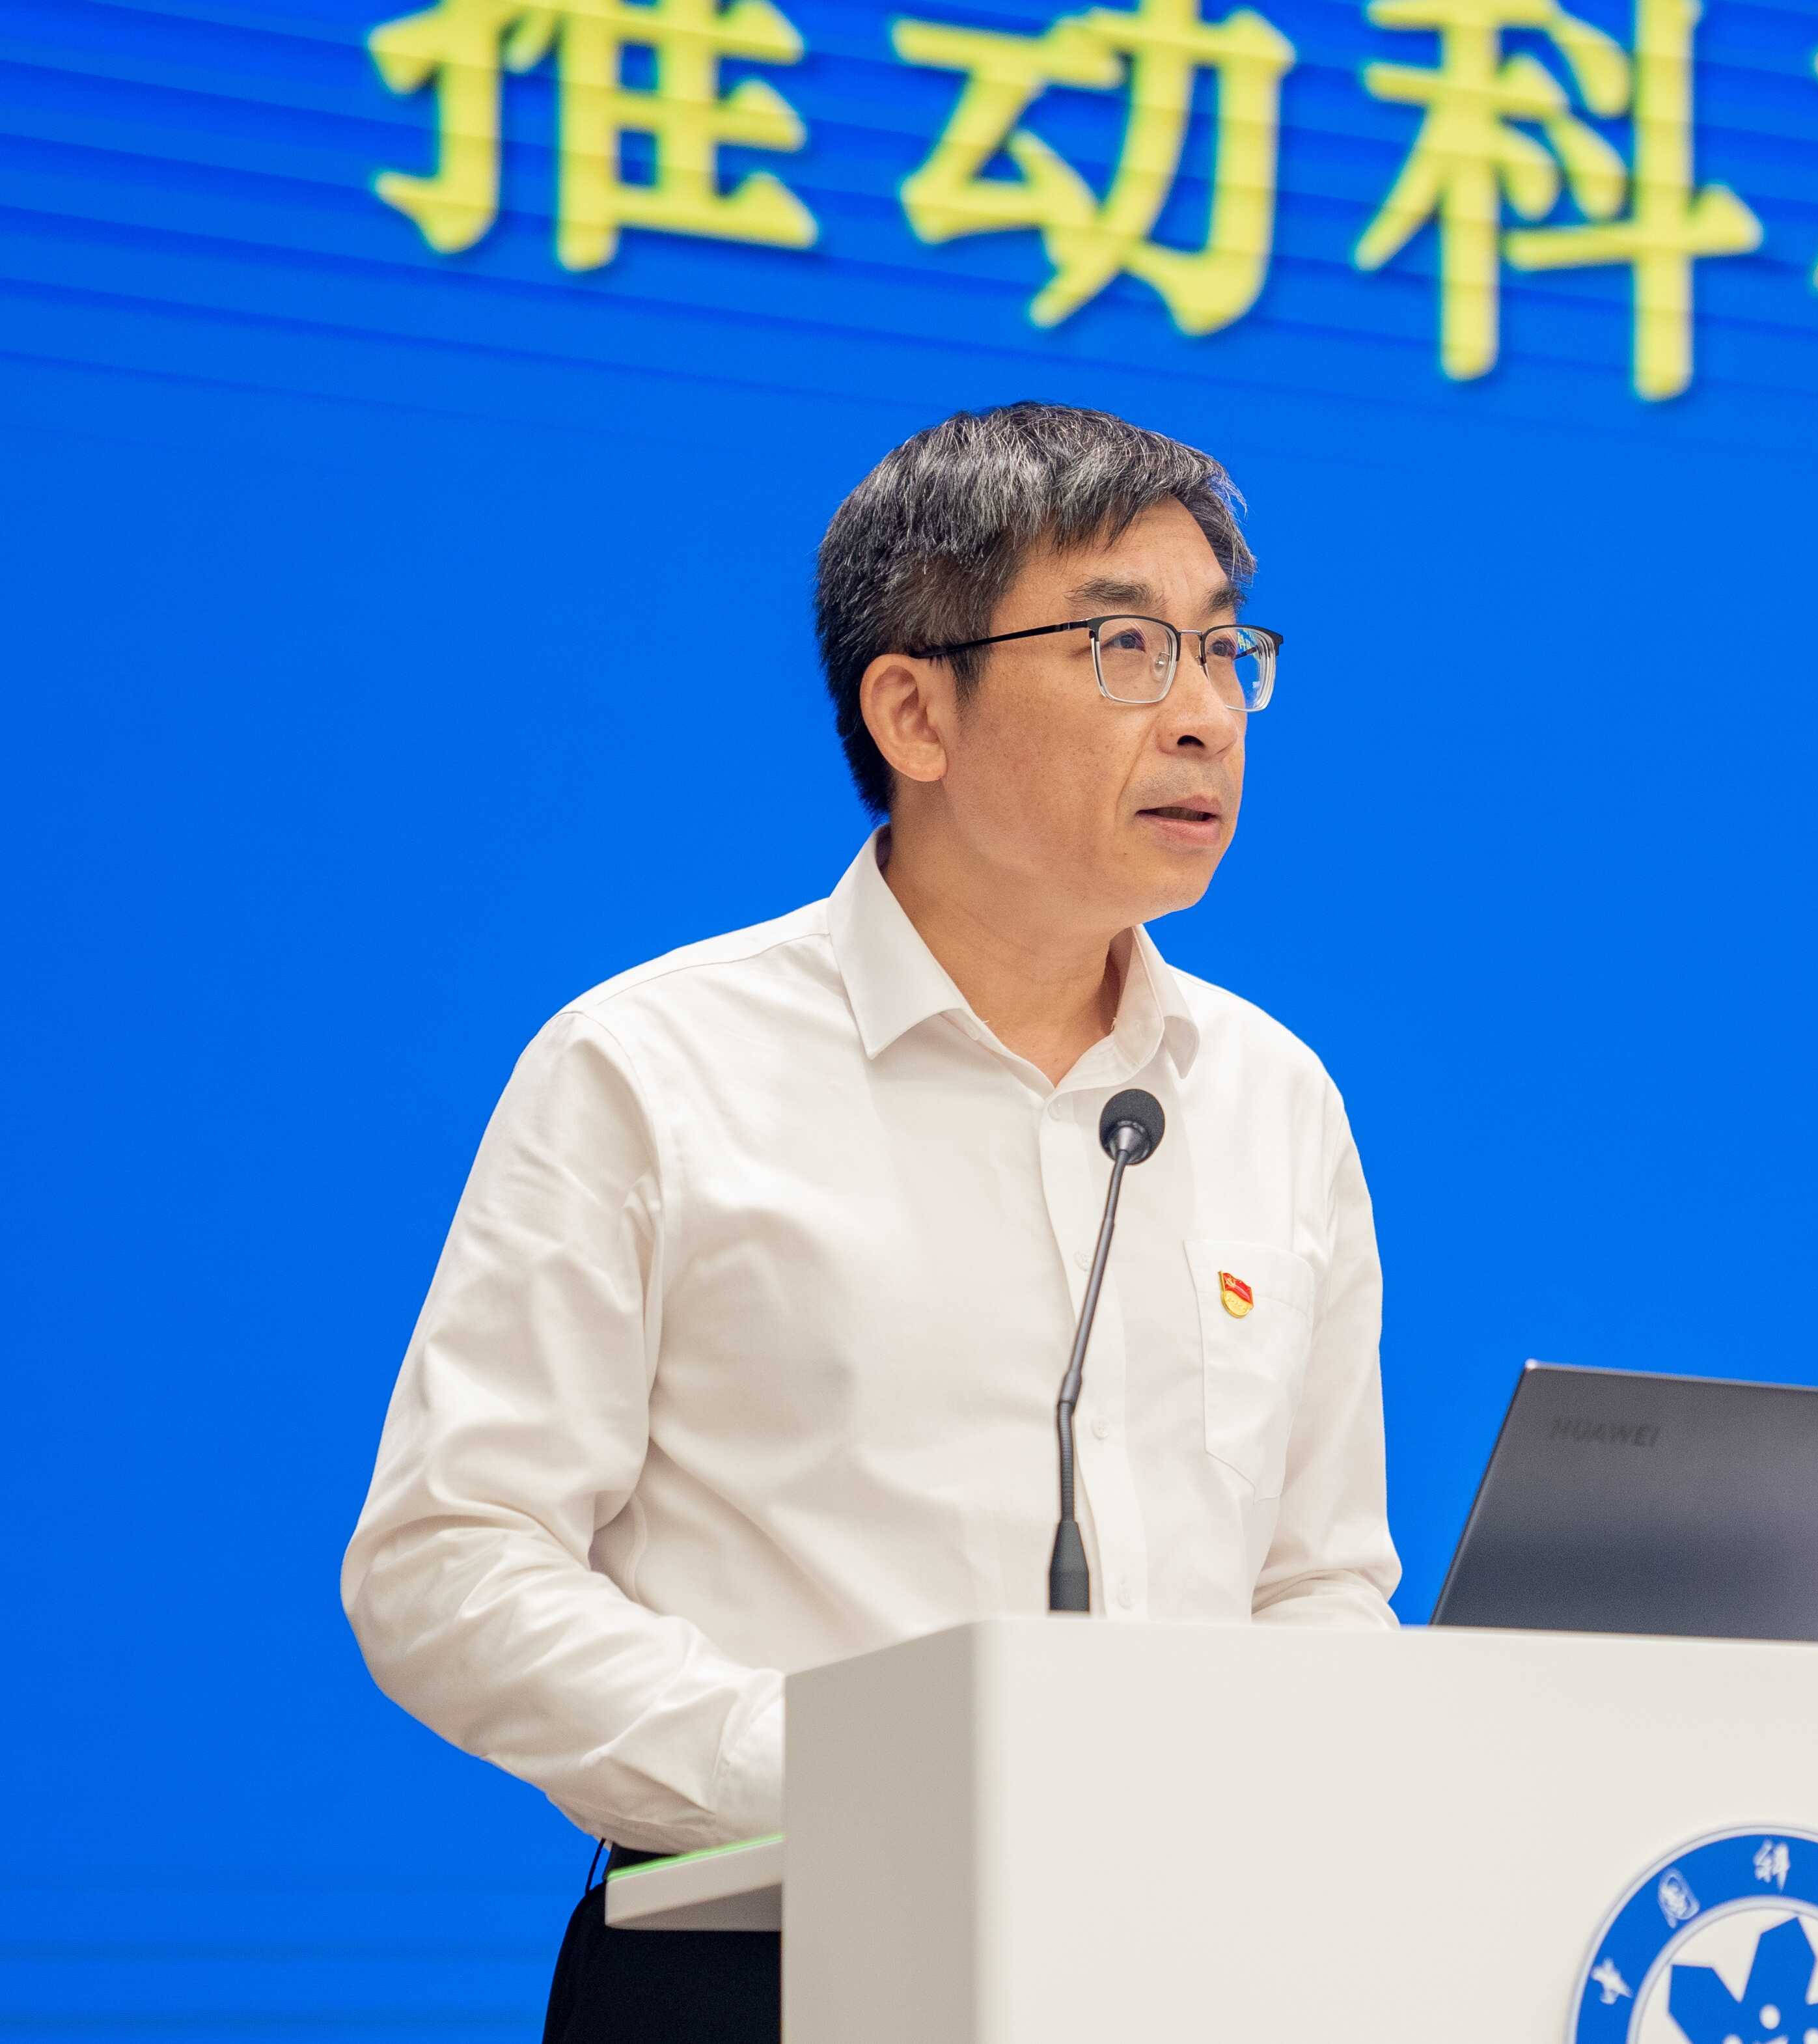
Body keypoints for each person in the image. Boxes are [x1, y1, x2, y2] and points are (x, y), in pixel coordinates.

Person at [340, 403, 1401, 2044]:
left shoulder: (1273, 1098)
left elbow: (1319, 1578)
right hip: (766, 1954)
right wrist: (842, 1770)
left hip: (1183, 1971)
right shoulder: (653, 1068)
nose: (1203, 715)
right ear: (914, 708)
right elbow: (449, 1562)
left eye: (1222, 649)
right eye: (1125, 646)